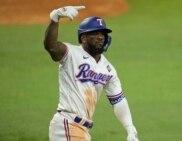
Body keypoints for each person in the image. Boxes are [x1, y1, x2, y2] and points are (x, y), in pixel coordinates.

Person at [43, 5, 139, 141]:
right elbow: (51, 46)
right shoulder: (71, 54)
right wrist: (55, 17)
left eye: (103, 34)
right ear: (83, 38)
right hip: (67, 124)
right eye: (95, 33)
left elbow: (118, 101)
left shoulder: (108, 69)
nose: (100, 37)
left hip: (83, 130)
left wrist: (130, 129)